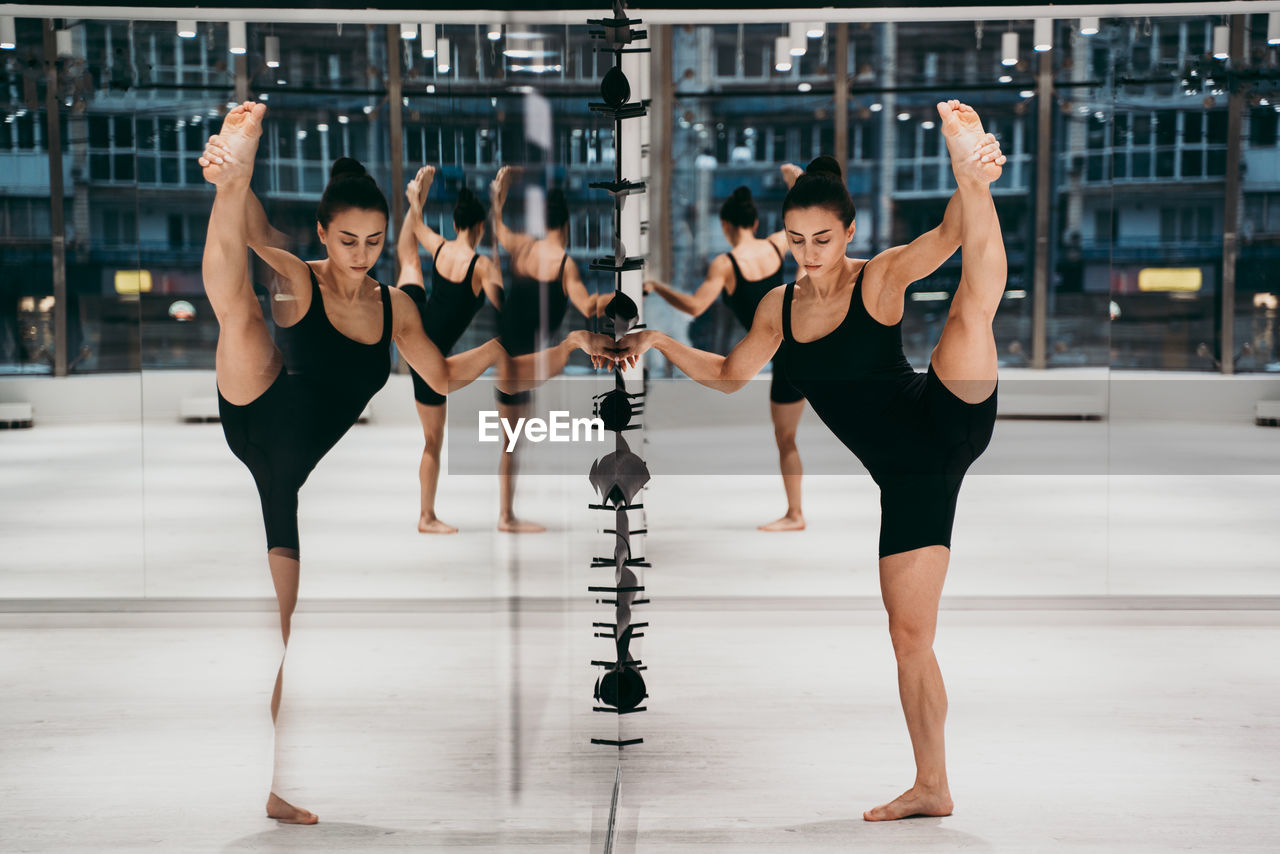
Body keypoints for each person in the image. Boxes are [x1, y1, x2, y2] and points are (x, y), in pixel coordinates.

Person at [617, 100, 1007, 822]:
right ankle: (933, 786)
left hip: (948, 410)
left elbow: (952, 234)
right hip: (909, 479)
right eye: (797, 239)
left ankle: (970, 162)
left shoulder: (879, 277)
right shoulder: (777, 308)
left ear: (848, 232)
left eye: (823, 238)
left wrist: (969, 183)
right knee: (909, 639)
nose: (810, 251)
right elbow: (732, 374)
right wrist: (662, 343)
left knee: (969, 310)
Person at [197, 102, 502, 824]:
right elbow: (256, 238)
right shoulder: (299, 278)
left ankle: (277, 784)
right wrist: (236, 191)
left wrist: (498, 351)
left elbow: (444, 376)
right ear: (325, 235)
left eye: (371, 241)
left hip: (287, 478)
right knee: (236, 309)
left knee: (288, 632)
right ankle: (230, 170)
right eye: (347, 240)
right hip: (256, 407)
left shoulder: (396, 307)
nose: (360, 254)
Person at [645, 173, 806, 530]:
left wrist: (657, 286)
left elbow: (694, 307)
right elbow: (806, 222)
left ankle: (795, 514)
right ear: (756, 222)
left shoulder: (725, 264)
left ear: (725, 225)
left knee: (786, 438)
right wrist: (799, 186)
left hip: (778, 355)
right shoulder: (776, 245)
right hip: (808, 344)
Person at [489, 165, 604, 532]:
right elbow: (587, 306)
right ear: (566, 226)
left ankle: (507, 514)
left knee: (511, 444)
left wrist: (498, 195)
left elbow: (498, 228)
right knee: (512, 444)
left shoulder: (522, 247)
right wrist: (621, 293)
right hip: (528, 365)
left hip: (507, 360)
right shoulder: (565, 265)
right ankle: (506, 517)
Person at [395, 166, 505, 533]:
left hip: (414, 327)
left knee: (409, 258)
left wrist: (417, 209)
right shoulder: (483, 265)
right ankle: (426, 517)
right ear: (479, 227)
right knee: (432, 442)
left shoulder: (440, 245)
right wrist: (499, 211)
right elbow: (503, 304)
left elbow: (416, 232)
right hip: (429, 358)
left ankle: (415, 200)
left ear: (457, 225)